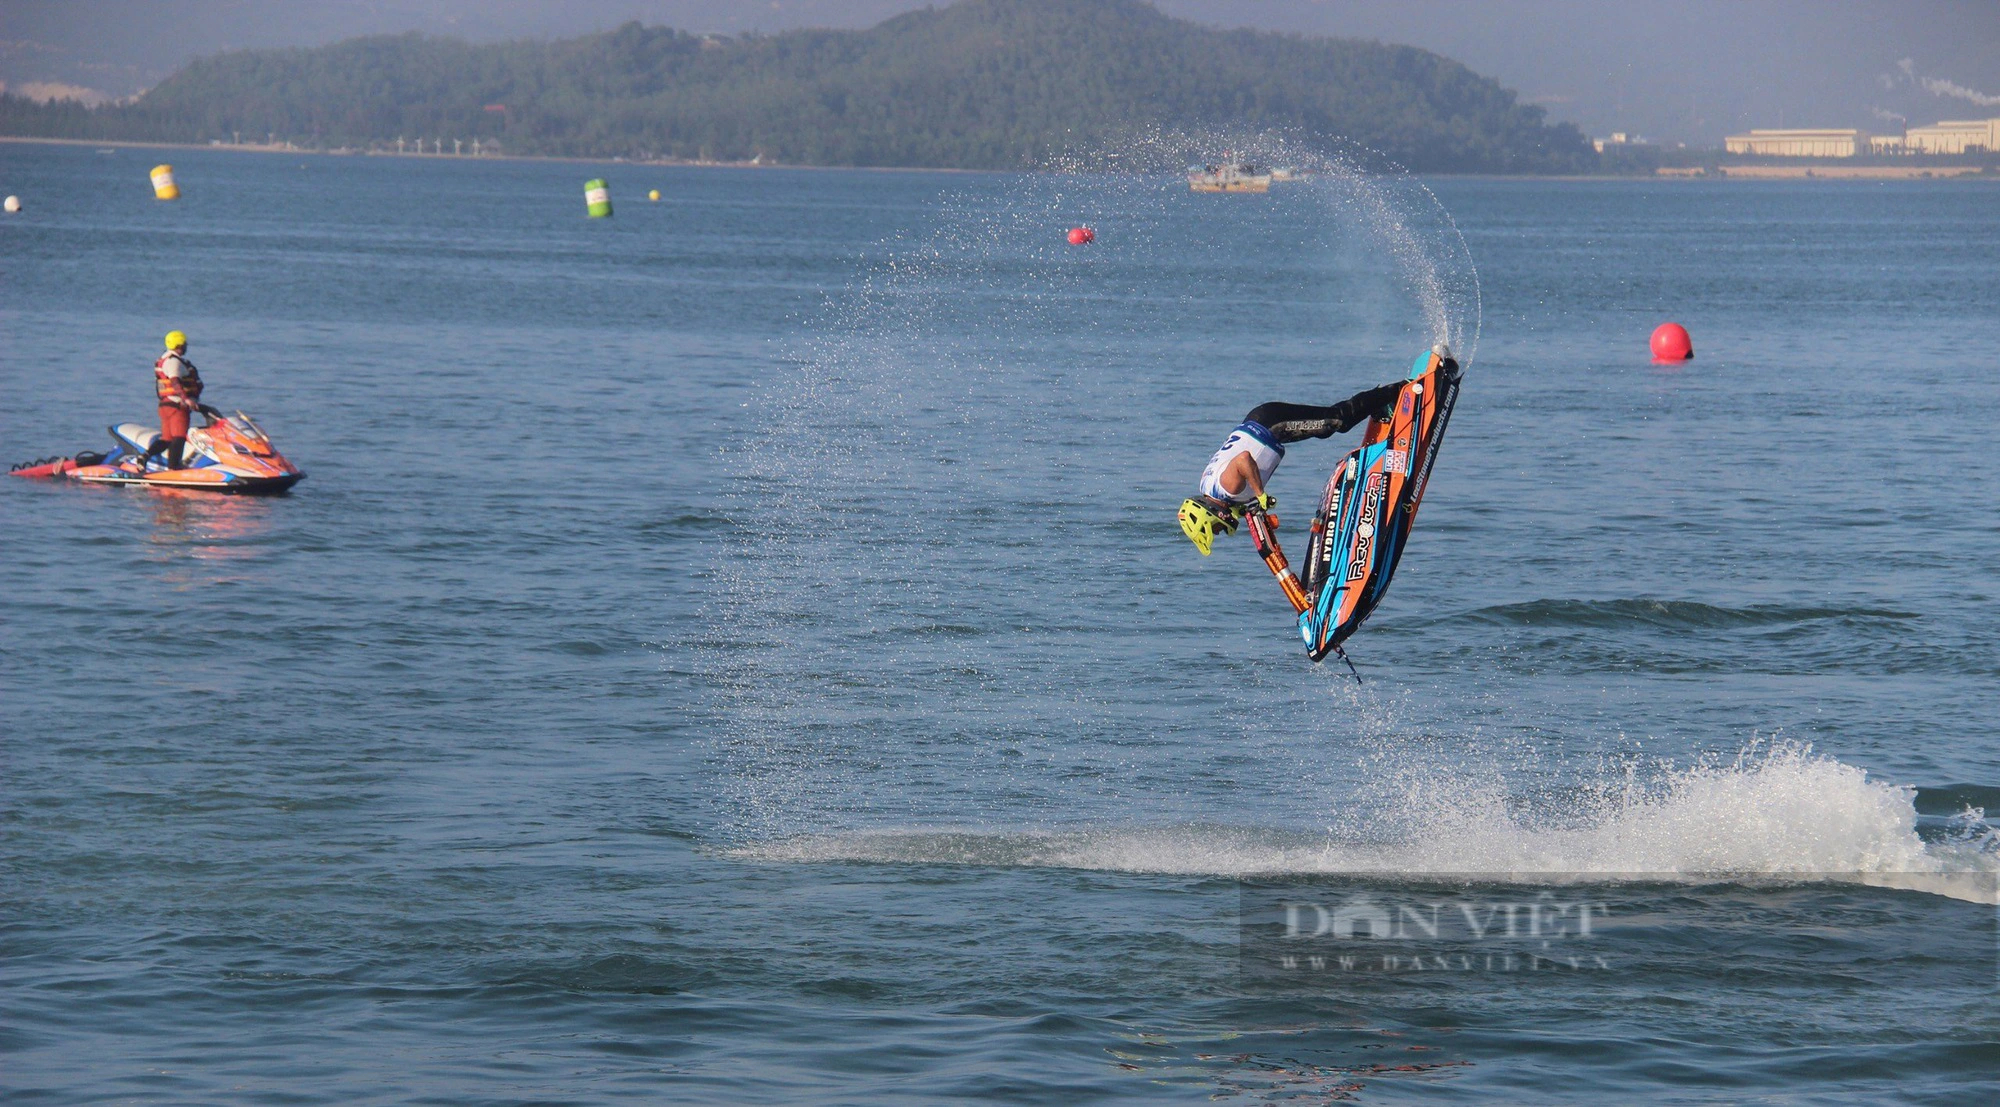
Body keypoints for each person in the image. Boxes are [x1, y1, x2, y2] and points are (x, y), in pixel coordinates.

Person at [1178, 369, 1424, 555]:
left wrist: (1260, 494)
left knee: (1335, 422)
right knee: (1332, 423)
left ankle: (1400, 390)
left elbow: (1243, 460)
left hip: (1270, 424)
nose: (1222, 530)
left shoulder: (1226, 488)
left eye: (1216, 529)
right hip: (1263, 422)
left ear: (1212, 514)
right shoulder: (1212, 489)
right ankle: (1384, 400)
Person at [141, 330, 204, 470]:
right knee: (180, 437)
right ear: (180, 344)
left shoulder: (164, 360)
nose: (186, 346)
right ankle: (174, 467)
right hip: (176, 405)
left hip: (165, 405)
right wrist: (186, 399)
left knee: (167, 439)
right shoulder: (174, 362)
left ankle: (144, 457)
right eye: (185, 343)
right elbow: (175, 381)